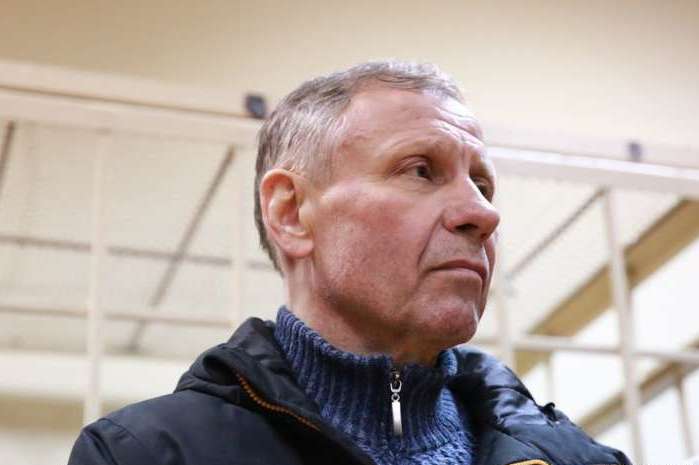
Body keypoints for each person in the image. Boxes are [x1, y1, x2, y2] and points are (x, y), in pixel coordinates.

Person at [68, 61, 631, 465]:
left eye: (482, 185)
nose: (483, 214)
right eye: (420, 170)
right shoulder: (143, 453)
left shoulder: (582, 459)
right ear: (291, 213)